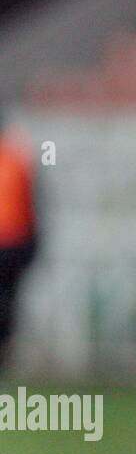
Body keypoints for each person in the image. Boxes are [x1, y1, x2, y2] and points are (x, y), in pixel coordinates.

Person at [0, 115, 37, 372]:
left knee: (6, 307)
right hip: (14, 246)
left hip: (11, 248)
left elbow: (33, 205)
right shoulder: (17, 157)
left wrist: (31, 248)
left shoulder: (17, 158)